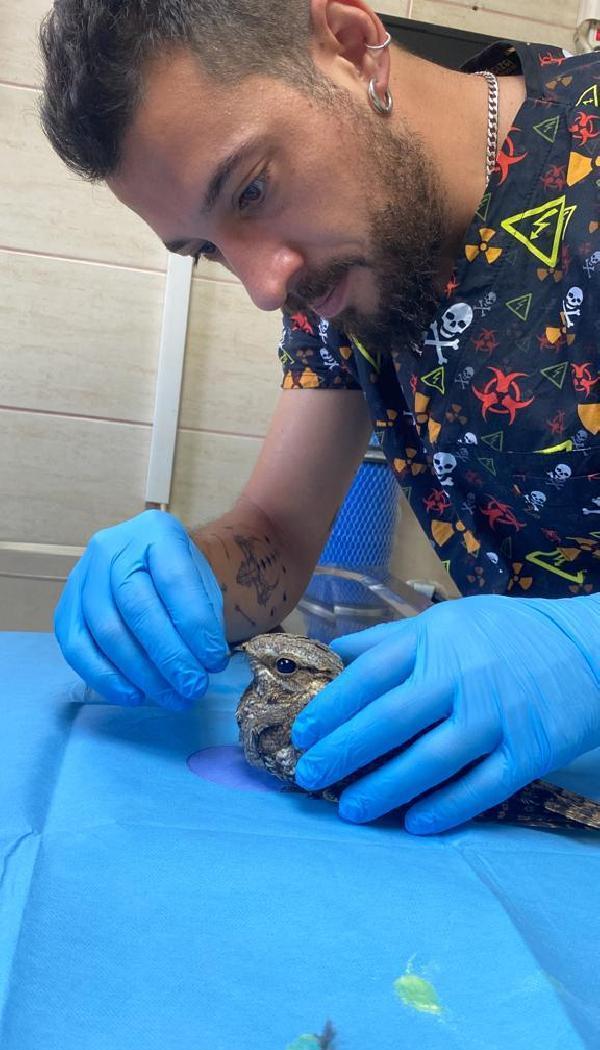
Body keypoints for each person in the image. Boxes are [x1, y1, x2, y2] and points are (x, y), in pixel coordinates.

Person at [39, 0, 599, 833]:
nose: (264, 285)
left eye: (252, 190)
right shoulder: (337, 275)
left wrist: (588, 651)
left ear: (350, 45)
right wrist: (174, 584)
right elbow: (275, 531)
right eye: (208, 250)